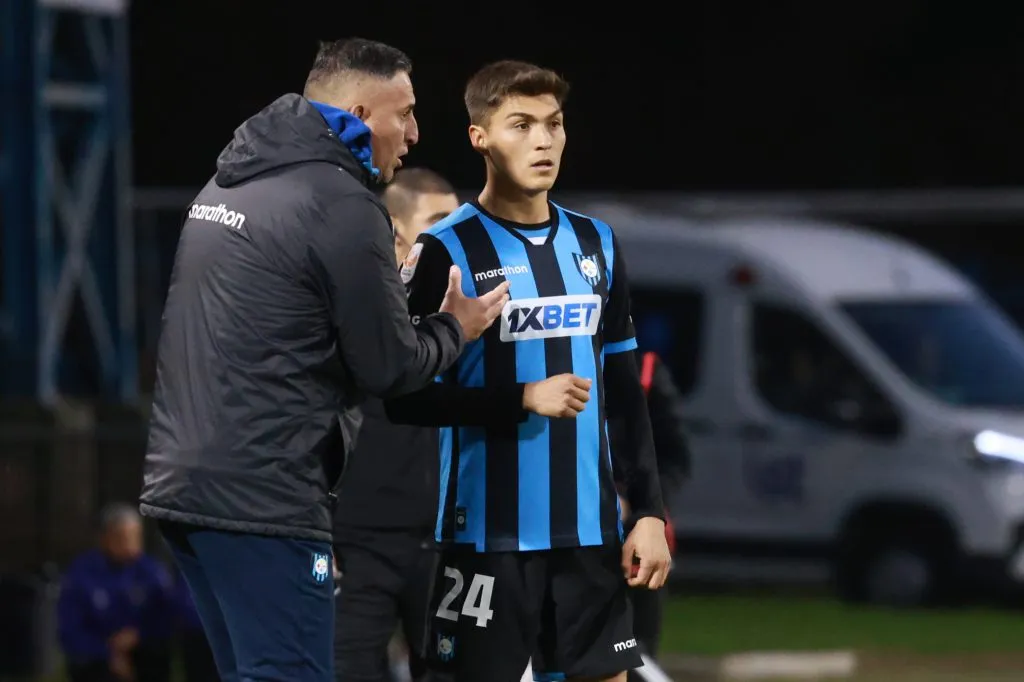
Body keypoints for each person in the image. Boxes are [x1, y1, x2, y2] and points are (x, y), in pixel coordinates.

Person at [139, 38, 508, 682]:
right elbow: (390, 367)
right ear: (363, 114)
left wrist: (381, 289)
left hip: (185, 484)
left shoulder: (235, 177)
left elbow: (276, 322)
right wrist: (456, 325)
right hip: (266, 494)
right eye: (406, 114)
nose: (415, 133)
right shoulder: (341, 201)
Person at [385, 60, 672, 682]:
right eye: (521, 124)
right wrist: (520, 397)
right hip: (486, 539)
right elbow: (401, 397)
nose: (544, 141)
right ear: (479, 136)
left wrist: (649, 510)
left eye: (554, 124)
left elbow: (624, 395)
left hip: (589, 536)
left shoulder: (598, 244)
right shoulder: (446, 252)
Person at [331, 168, 460, 682]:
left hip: (449, 540)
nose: (458, 236)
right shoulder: (350, 304)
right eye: (440, 224)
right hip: (360, 541)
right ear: (397, 232)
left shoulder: (481, 308)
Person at [623, 351, 691, 681]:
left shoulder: (645, 370)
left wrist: (638, 505)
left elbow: (675, 458)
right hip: (563, 536)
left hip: (636, 540)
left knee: (636, 652)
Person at [57, 504, 175, 682]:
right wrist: (107, 651)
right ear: (104, 538)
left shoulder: (151, 572)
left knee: (155, 654)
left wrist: (138, 634)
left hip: (140, 652)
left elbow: (166, 618)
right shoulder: (82, 573)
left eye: (135, 537)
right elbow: (70, 630)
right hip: (97, 657)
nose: (130, 544)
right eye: (122, 537)